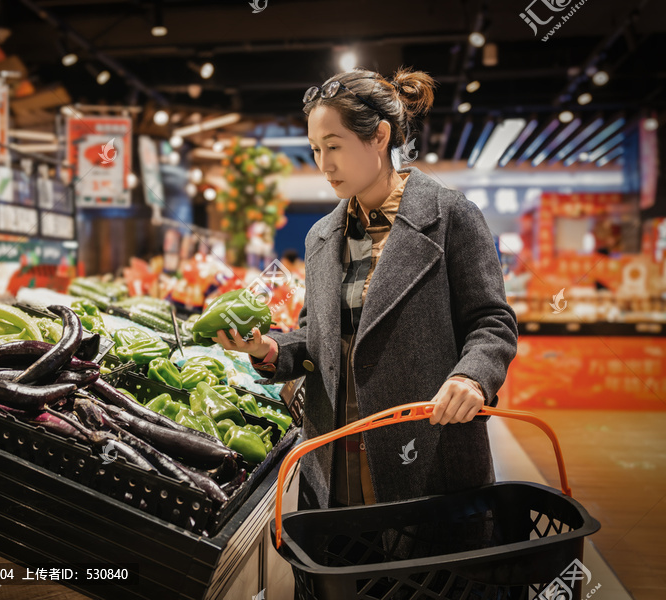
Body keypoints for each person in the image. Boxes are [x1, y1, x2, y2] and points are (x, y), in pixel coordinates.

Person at [210, 66, 518, 512]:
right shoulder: (321, 237)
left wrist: (473, 376)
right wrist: (270, 350)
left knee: (425, 577)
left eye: (334, 146)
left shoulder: (451, 216)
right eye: (316, 149)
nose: (323, 164)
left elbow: (492, 322)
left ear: (380, 136)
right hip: (334, 460)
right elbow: (316, 335)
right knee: (339, 572)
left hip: (427, 452)